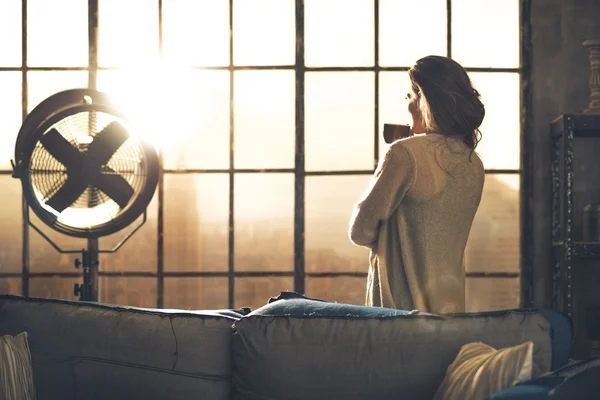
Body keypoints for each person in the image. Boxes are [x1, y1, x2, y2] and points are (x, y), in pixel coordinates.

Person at [348, 55, 485, 314]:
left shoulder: (404, 154)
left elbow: (359, 231)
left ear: (423, 99)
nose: (409, 106)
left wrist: (388, 164)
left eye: (410, 97)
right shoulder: (474, 164)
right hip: (450, 316)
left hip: (398, 317)